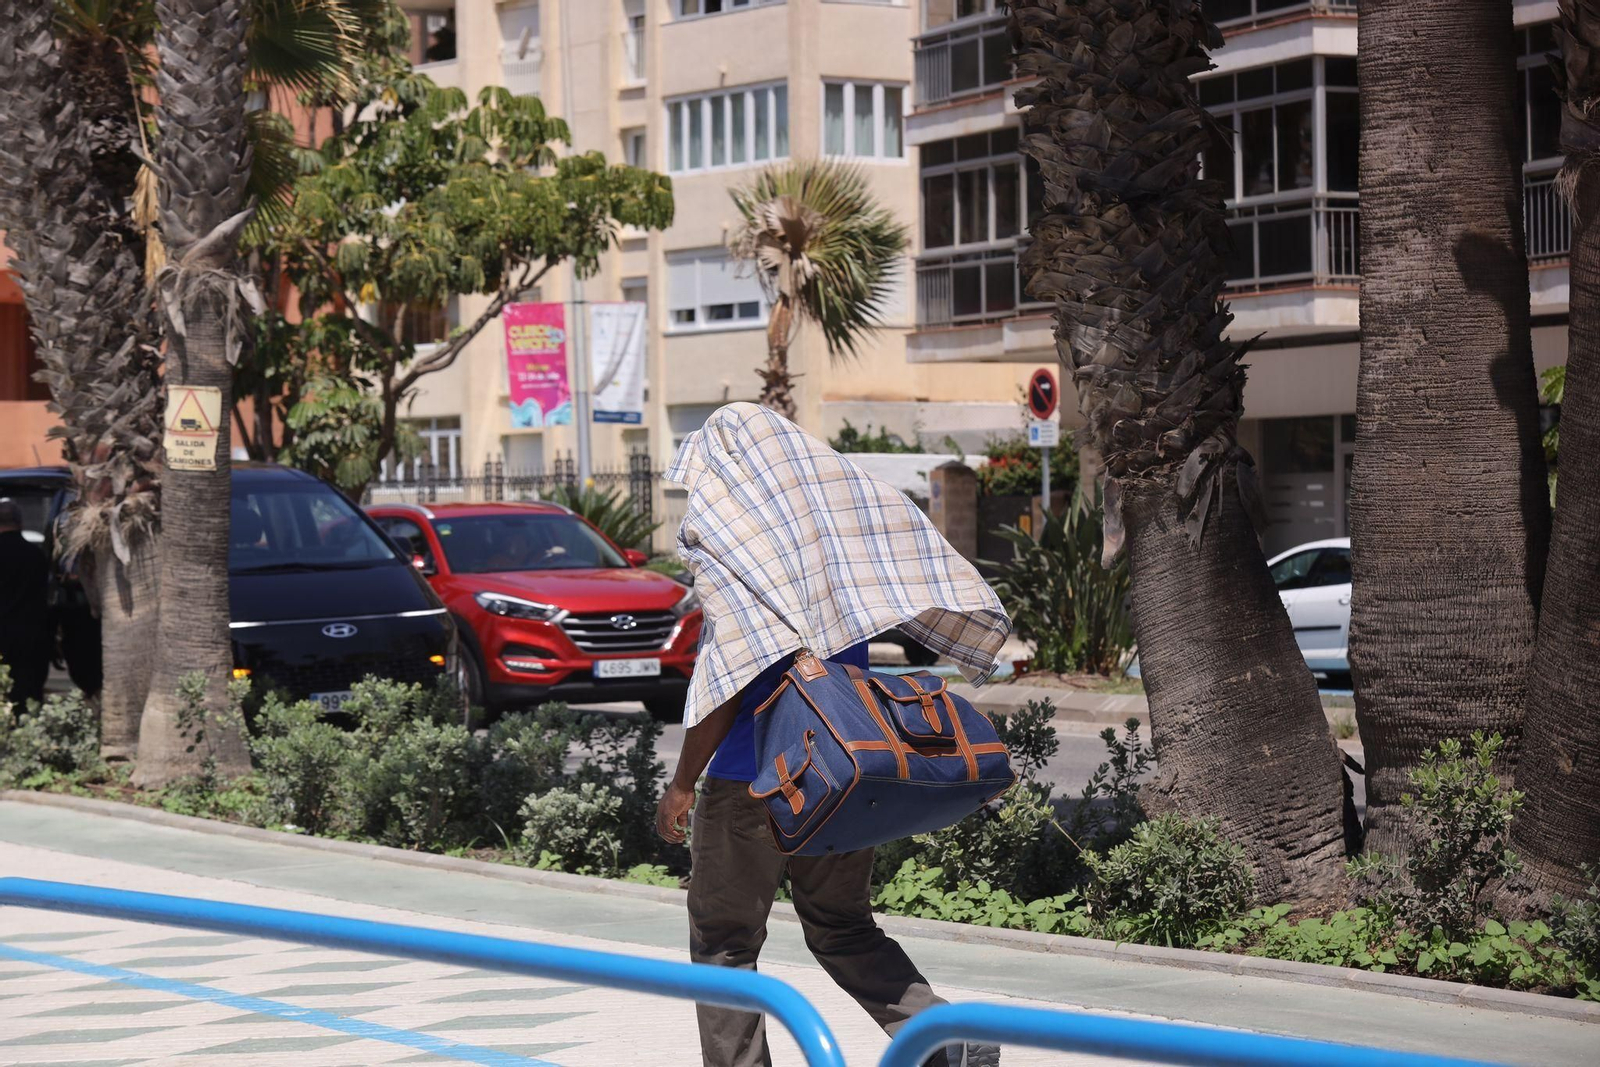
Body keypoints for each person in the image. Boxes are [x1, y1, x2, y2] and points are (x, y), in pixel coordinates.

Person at [655, 404, 1010, 1067]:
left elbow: (729, 680)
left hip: (751, 782)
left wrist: (681, 784)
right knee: (843, 925)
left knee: (724, 943)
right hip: (841, 775)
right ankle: (943, 1041)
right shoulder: (833, 531)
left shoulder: (739, 543)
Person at [0, 498, 52, 706]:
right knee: (28, 699)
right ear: (20, 522)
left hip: (3, 637)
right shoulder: (36, 555)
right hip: (32, 639)